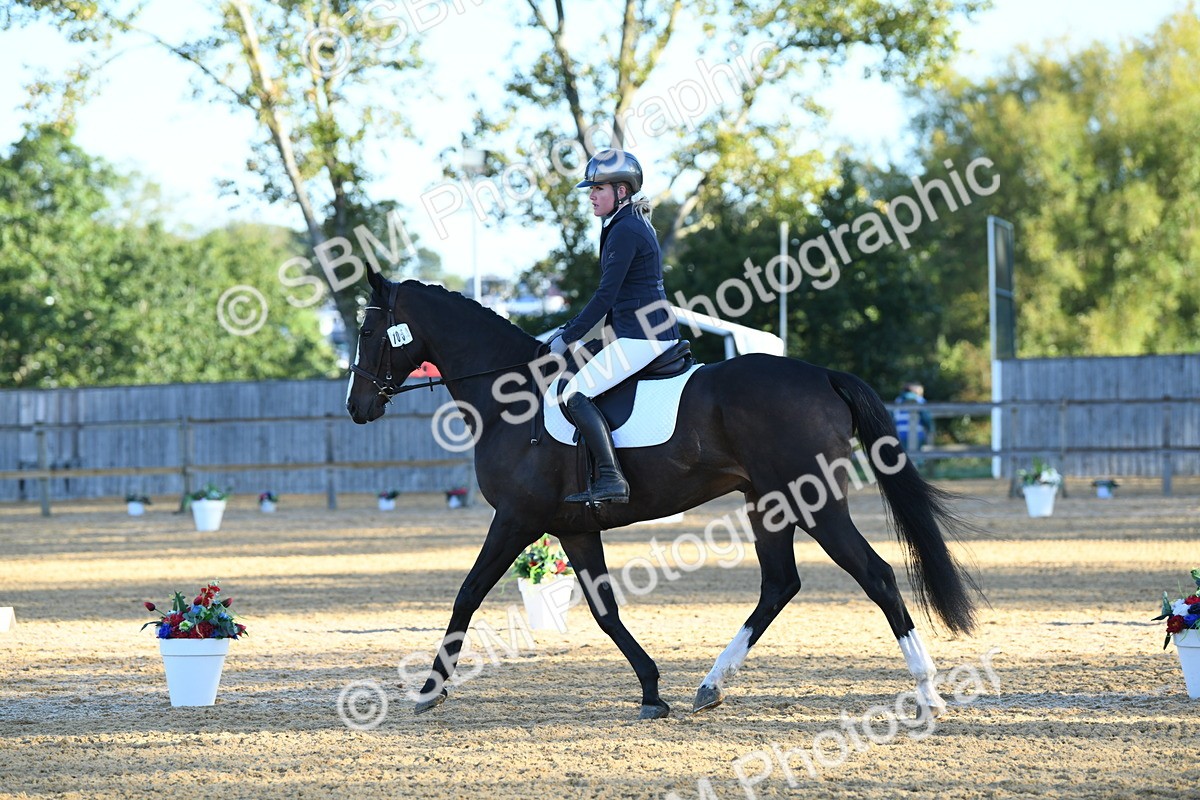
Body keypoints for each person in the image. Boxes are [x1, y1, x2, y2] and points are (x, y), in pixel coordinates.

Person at [547, 148, 681, 504]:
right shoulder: (624, 224)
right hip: (635, 329)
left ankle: (611, 478)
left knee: (575, 393)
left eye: (598, 189)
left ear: (621, 191)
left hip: (644, 334)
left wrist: (569, 334)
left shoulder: (626, 230)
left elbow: (606, 295)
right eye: (590, 189)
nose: (590, 196)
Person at [892, 381, 933, 450]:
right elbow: (926, 419)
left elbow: (892, 418)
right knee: (918, 457)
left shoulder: (897, 400)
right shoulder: (919, 400)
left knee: (902, 457)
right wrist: (930, 429)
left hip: (900, 434)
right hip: (917, 434)